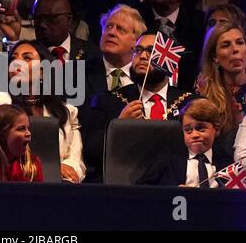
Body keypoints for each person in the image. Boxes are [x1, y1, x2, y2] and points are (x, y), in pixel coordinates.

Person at [84, 30, 198, 182]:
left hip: (178, 186)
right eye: (138, 50)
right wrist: (119, 127)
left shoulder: (191, 103)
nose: (143, 56)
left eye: (151, 51)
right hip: (125, 186)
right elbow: (91, 153)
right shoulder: (108, 101)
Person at [0, 40, 86, 183]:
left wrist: (66, 170)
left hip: (58, 188)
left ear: (43, 71)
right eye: (13, 59)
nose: (17, 63)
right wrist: (50, 168)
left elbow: (75, 160)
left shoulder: (66, 112)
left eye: (27, 58)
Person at [137, 98, 232, 187]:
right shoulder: (168, 159)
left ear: (216, 129)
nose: (194, 135)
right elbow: (142, 189)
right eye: (188, 130)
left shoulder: (228, 163)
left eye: (201, 128)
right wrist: (175, 193)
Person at [197, 22, 246, 133]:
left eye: (240, 43)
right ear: (214, 57)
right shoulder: (203, 95)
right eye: (226, 45)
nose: (235, 49)